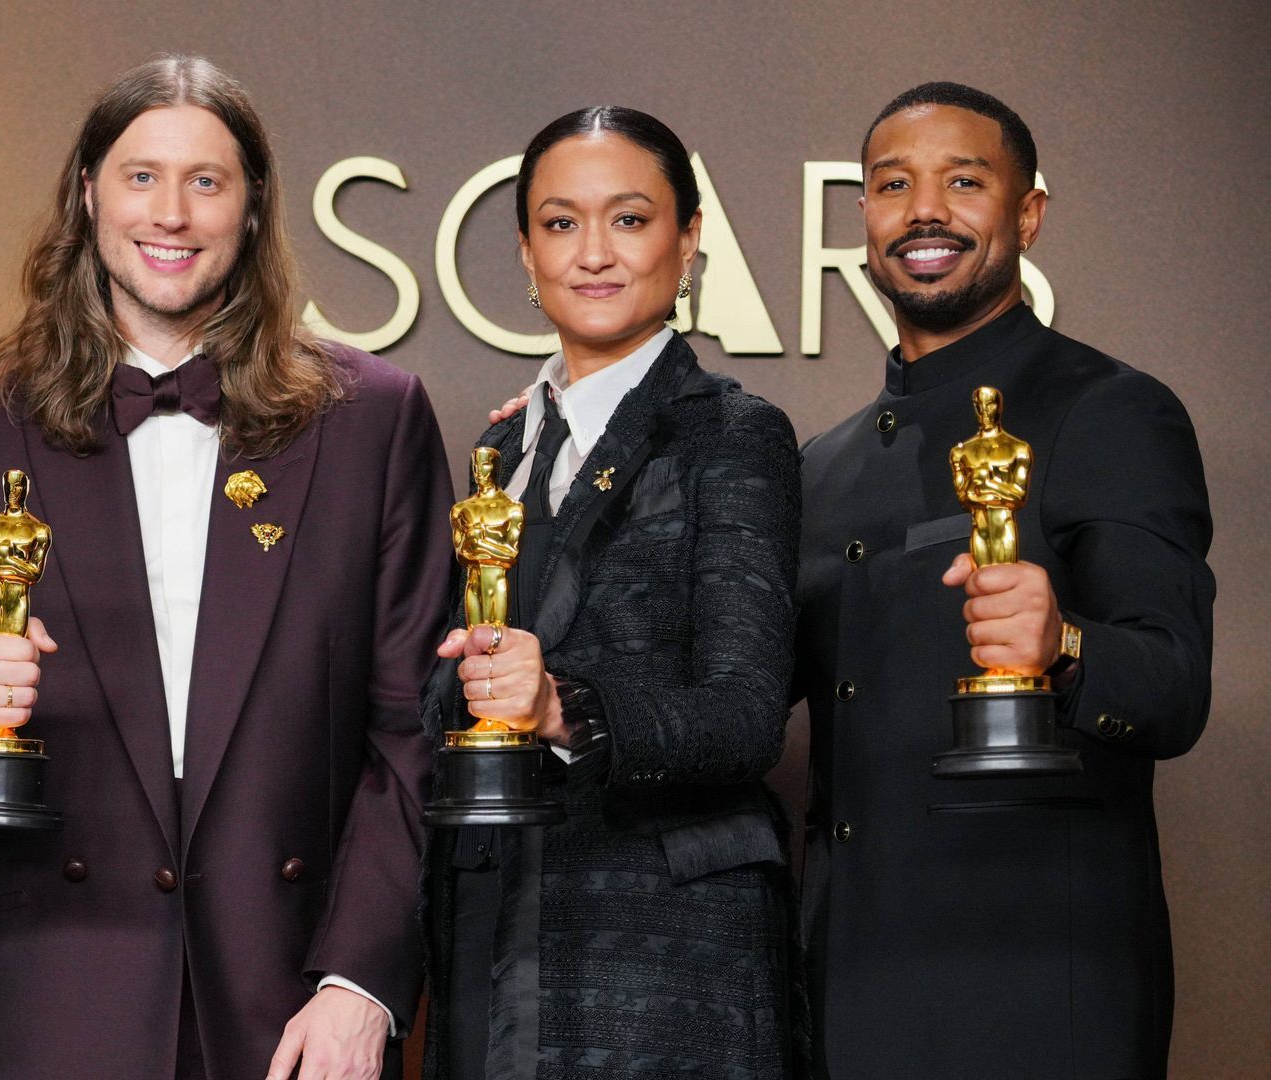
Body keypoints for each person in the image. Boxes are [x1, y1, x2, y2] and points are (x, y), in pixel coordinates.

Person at [0, 55, 453, 1080]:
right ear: (87, 195)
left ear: (255, 207)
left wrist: (360, 986)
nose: (170, 214)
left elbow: (413, 732)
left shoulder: (374, 420)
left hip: (295, 1006)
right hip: (59, 993)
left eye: (207, 181)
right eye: (141, 177)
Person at [795, 83, 1215, 1078]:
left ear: (1028, 212)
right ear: (863, 221)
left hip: (1032, 994)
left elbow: (1174, 686)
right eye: (894, 185)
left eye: (964, 180)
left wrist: (1064, 645)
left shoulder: (1112, 410)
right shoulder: (820, 464)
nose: (925, 210)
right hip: (843, 988)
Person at [427, 106, 801, 1079]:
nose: (593, 252)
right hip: (492, 928)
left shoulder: (733, 434)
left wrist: (564, 707)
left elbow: (747, 714)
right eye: (560, 223)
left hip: (664, 957)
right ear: (523, 249)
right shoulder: (497, 451)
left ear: (688, 238)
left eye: (629, 220)